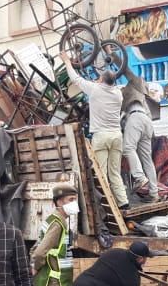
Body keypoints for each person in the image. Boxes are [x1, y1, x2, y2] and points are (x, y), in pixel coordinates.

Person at [65, 57, 128, 210]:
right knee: (115, 172)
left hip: (101, 136)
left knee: (101, 173)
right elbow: (103, 85)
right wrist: (98, 82)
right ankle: (123, 203)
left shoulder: (95, 90)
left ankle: (106, 206)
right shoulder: (118, 93)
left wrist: (67, 61)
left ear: (101, 79)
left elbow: (76, 79)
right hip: (116, 136)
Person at [120, 63, 160, 196]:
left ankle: (140, 177)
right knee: (147, 159)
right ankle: (154, 193)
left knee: (128, 148)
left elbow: (125, 69)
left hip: (136, 118)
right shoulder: (137, 96)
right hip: (146, 123)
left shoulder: (137, 83)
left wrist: (111, 54)